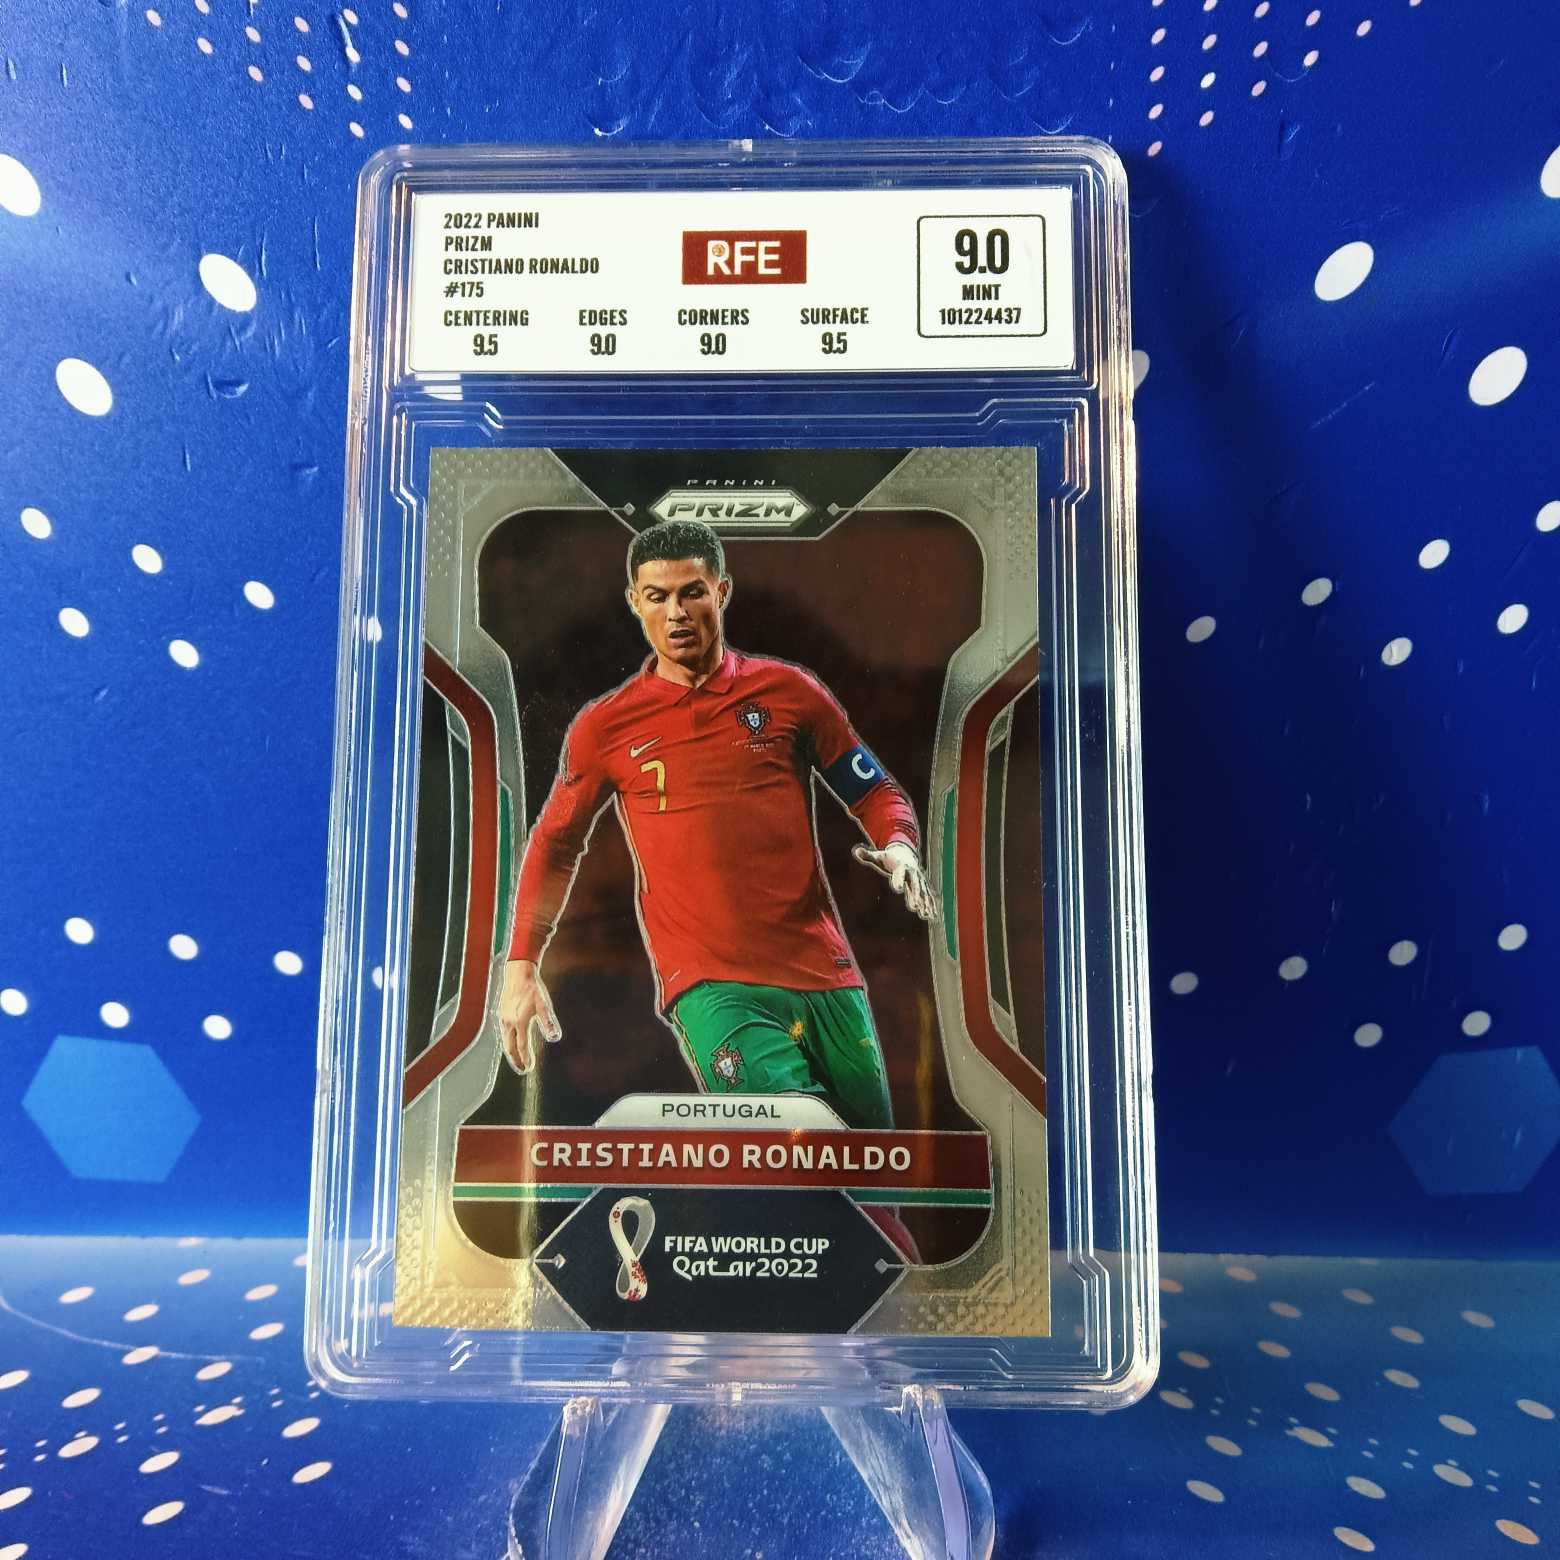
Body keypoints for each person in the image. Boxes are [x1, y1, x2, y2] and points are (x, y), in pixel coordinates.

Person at [497, 518, 936, 1142]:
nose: (676, 613)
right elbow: (555, 842)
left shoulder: (789, 693)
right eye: (658, 597)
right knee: (797, 1148)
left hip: (829, 975)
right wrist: (520, 964)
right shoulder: (605, 727)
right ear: (635, 602)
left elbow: (872, 789)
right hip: (713, 987)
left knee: (876, 1170)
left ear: (721, 592)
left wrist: (898, 844)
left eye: (692, 593)